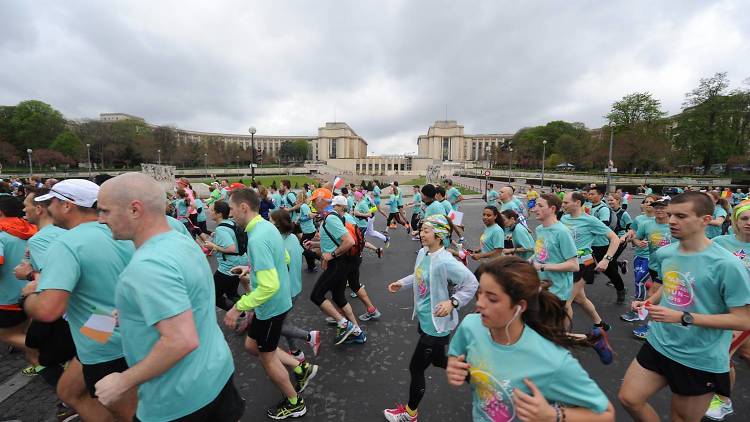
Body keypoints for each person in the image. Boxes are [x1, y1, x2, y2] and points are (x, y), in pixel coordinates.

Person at [94, 173, 244, 422]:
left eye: (105, 211)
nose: (100, 220)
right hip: (215, 373)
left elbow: (181, 340)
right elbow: (188, 293)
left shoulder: (147, 264)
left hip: (177, 397)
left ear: (134, 210)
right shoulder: (179, 239)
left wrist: (122, 381)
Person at [618, 192, 750, 422]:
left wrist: (683, 317)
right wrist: (649, 302)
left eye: (680, 216)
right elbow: (670, 286)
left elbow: (743, 320)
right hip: (659, 343)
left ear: (705, 220)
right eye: (670, 215)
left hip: (698, 357)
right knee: (629, 399)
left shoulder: (727, 264)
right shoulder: (666, 252)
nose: (671, 221)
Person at [21, 179, 137, 421]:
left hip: (107, 338)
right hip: (113, 325)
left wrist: (29, 296)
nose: (48, 209)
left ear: (67, 206)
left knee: (128, 413)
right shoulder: (121, 232)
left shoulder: (67, 244)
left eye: (52, 201)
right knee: (68, 390)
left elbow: (48, 310)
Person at [446, 256, 615, 422]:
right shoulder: (471, 326)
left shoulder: (552, 360)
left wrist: (552, 415)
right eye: (480, 293)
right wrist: (453, 365)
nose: (479, 304)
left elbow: (606, 414)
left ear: (520, 306)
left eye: (492, 298)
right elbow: (455, 355)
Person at [223, 188, 315, 419]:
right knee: (251, 346)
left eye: (232, 209)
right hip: (275, 303)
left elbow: (268, 286)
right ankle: (300, 367)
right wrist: (252, 269)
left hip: (271, 307)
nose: (231, 214)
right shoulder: (267, 227)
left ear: (244, 207)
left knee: (267, 356)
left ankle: (295, 403)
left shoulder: (257, 237)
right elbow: (282, 258)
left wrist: (238, 306)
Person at [383, 214, 478, 422]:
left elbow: (471, 283)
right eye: (422, 230)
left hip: (437, 325)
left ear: (440, 235)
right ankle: (478, 378)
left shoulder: (446, 261)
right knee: (438, 359)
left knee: (416, 368)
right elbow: (418, 274)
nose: (421, 234)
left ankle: (410, 414)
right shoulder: (424, 253)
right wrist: (402, 282)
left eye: (426, 231)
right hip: (426, 319)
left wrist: (452, 302)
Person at [706, 199, 750, 420]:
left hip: (744, 312)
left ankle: (723, 400)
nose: (749, 222)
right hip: (716, 308)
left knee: (722, 353)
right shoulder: (720, 242)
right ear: (735, 220)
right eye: (745, 218)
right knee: (739, 353)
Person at [305, 189, 366, 345]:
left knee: (316, 296)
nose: (312, 203)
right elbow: (335, 241)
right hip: (341, 263)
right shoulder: (330, 216)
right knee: (339, 298)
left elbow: (349, 241)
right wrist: (315, 244)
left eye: (314, 200)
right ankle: (358, 332)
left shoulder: (331, 218)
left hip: (337, 264)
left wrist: (331, 255)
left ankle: (345, 325)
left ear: (322, 200)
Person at [560, 192, 619, 345]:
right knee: (580, 298)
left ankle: (564, 338)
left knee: (565, 303)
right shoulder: (564, 218)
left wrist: (606, 260)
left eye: (566, 203)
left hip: (583, 265)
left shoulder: (590, 220)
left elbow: (615, 238)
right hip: (568, 265)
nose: (563, 205)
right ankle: (600, 325)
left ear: (578, 203)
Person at [271, 209, 322, 363]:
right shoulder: (292, 237)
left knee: (275, 325)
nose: (268, 224)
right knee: (282, 322)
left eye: (271, 221)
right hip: (294, 288)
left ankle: (309, 336)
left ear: (278, 225)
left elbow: (279, 269)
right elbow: (302, 254)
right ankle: (295, 351)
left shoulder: (275, 242)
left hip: (283, 291)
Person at [0, 195, 38, 374]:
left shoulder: (1, 234)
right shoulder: (35, 230)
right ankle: (38, 363)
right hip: (31, 293)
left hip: (6, 299)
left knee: (7, 335)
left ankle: (47, 357)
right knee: (25, 331)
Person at [630, 197, 676, 339]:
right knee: (662, 297)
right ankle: (661, 326)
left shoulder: (675, 225)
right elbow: (635, 238)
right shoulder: (646, 224)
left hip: (671, 268)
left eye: (663, 207)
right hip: (654, 265)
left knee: (652, 296)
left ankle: (651, 328)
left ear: (669, 209)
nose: (659, 210)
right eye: (656, 207)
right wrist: (639, 243)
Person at [530, 194, 579, 305]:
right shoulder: (539, 229)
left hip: (557, 292)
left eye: (540, 206)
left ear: (552, 209)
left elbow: (574, 265)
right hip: (540, 287)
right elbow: (540, 253)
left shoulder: (562, 232)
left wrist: (542, 267)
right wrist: (527, 262)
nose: (535, 209)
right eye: (536, 205)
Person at [203, 200, 247, 311]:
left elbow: (231, 248)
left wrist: (214, 246)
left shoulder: (221, 229)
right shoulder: (231, 222)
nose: (210, 212)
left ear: (219, 214)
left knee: (213, 295)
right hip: (240, 261)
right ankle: (247, 310)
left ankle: (241, 314)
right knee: (231, 293)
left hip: (229, 266)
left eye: (212, 210)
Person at [620, 195, 658, 322]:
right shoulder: (639, 219)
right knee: (639, 282)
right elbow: (632, 235)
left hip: (651, 257)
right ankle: (644, 305)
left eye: (651, 202)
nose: (648, 204)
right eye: (646, 202)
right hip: (638, 255)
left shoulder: (661, 221)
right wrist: (634, 241)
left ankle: (638, 310)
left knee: (639, 281)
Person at [587, 186, 627, 303]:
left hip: (601, 244)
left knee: (609, 271)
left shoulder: (603, 209)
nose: (589, 196)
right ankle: (577, 292)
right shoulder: (588, 207)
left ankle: (621, 289)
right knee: (584, 268)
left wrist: (586, 227)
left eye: (592, 194)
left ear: (600, 196)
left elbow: (603, 225)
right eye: (589, 194)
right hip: (589, 244)